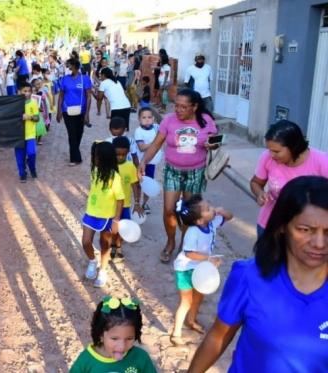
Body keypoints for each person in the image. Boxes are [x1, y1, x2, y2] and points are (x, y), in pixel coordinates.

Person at [188, 176, 328, 372]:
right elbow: (219, 336)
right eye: (305, 230)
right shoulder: (249, 276)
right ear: (282, 227)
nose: (320, 243)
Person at [138, 89, 218, 264]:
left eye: (183, 107)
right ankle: (170, 242)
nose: (178, 110)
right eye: (176, 106)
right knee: (169, 209)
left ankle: (185, 243)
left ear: (194, 107)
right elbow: (156, 144)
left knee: (189, 212)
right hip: (173, 171)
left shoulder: (206, 121)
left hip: (195, 172)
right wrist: (144, 161)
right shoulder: (168, 120)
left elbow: (215, 142)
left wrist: (211, 145)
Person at [171, 195, 233, 346]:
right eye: (208, 209)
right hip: (185, 269)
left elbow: (230, 216)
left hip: (200, 268)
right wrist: (208, 259)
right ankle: (176, 333)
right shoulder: (193, 232)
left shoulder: (211, 223)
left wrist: (221, 212)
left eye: (210, 206)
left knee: (199, 297)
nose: (212, 209)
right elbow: (189, 253)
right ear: (199, 221)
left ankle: (191, 321)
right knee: (186, 301)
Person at [249, 120, 328, 237]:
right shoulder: (267, 157)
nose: (271, 155)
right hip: (269, 225)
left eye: (276, 151)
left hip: (306, 232)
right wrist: (259, 193)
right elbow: (256, 182)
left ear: (293, 147)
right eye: (269, 150)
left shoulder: (322, 161)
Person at [70, 296, 156, 372]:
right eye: (114, 338)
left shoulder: (140, 358)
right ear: (101, 335)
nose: (122, 346)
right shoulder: (86, 361)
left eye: (129, 338)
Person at [82, 141, 124, 288]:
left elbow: (120, 199)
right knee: (86, 242)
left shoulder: (115, 177)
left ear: (105, 158)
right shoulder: (94, 171)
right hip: (91, 213)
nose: (93, 158)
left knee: (105, 245)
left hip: (107, 216)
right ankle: (93, 261)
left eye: (96, 156)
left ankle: (103, 270)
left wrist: (116, 220)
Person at [111, 136, 144, 259]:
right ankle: (112, 245)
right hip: (111, 205)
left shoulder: (130, 166)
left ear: (128, 152)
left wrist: (136, 202)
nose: (119, 157)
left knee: (122, 228)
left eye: (123, 155)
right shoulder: (108, 165)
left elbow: (135, 185)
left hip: (125, 205)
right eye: (117, 154)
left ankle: (118, 246)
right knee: (112, 227)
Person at [56, 58, 92, 166]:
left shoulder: (84, 79)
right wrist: (59, 111)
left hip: (81, 111)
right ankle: (75, 158)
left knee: (79, 133)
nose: (67, 68)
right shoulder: (64, 79)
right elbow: (61, 96)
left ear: (75, 66)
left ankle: (75, 153)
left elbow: (89, 97)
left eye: (69, 66)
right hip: (67, 111)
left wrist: (87, 114)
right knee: (71, 134)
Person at [134, 108, 163, 213]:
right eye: (144, 117)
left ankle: (145, 203)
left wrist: (156, 112)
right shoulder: (138, 131)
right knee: (139, 183)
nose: (147, 120)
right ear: (139, 119)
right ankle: (137, 203)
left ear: (153, 118)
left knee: (148, 183)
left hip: (152, 163)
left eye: (149, 117)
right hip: (142, 163)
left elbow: (163, 122)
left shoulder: (156, 127)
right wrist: (156, 143)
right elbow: (141, 147)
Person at [14, 82, 40, 183]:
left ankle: (32, 169)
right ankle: (22, 174)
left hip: (30, 134)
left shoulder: (33, 103)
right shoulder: (14, 104)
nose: (27, 93)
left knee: (32, 153)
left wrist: (29, 117)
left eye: (29, 91)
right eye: (25, 91)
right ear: (19, 92)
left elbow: (37, 118)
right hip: (17, 136)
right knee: (19, 157)